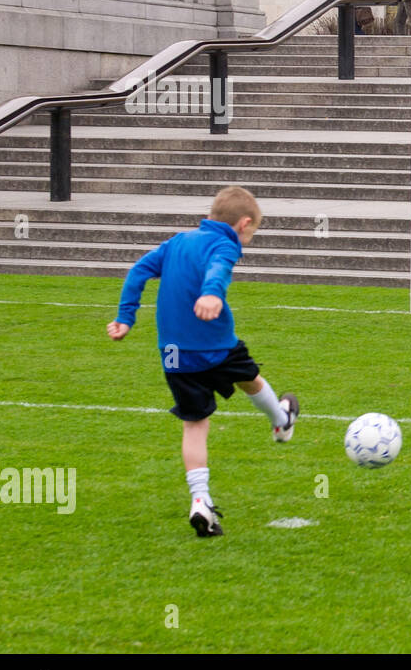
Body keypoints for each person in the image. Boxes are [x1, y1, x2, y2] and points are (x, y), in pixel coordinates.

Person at [106, 186, 299, 537]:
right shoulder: (226, 244)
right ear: (243, 224)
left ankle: (200, 501)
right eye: (252, 231)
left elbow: (137, 271)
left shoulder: (176, 242)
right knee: (250, 378)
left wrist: (125, 317)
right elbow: (219, 268)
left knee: (195, 424)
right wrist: (211, 292)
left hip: (175, 355)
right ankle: (281, 420)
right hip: (216, 347)